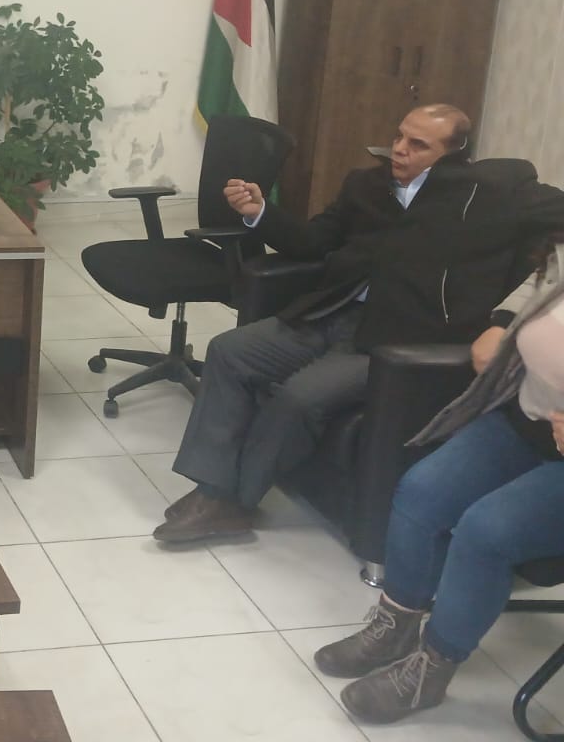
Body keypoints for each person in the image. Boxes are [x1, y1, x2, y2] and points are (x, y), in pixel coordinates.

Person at [154, 103, 564, 545]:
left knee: (299, 398)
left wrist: (505, 317)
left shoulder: (486, 195)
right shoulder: (367, 185)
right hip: (334, 312)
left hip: (399, 336)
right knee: (229, 350)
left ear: (453, 155)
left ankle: (233, 502)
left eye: (418, 145)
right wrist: (260, 212)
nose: (399, 149)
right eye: (400, 136)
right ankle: (214, 491)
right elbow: (312, 242)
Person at [312, 242, 564, 724]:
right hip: (527, 422)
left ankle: (432, 668)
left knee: (486, 531)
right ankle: (395, 627)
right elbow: (542, 283)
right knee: (421, 492)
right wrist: (501, 323)